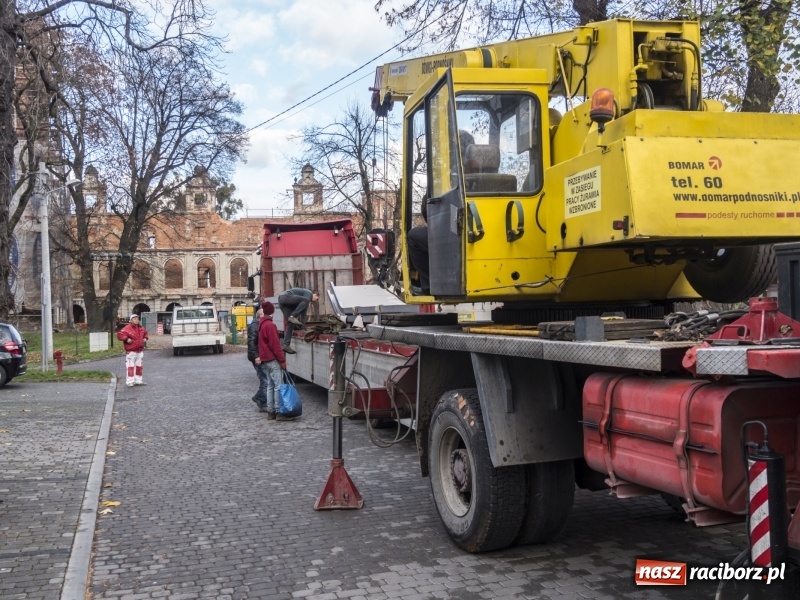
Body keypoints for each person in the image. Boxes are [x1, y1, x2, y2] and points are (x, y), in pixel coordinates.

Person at [407, 130, 475, 296]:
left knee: (414, 236)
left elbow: (430, 209)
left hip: (460, 239)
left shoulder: (452, 182)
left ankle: (430, 285)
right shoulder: (491, 177)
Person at [254, 301, 286, 419]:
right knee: (278, 386)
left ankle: (270, 411)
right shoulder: (270, 325)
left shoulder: (261, 324)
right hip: (272, 359)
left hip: (265, 359)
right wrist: (282, 360)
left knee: (270, 386)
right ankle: (278, 412)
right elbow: (275, 345)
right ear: (272, 311)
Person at [277, 288, 319, 354]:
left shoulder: (303, 298)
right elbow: (303, 312)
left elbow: (302, 310)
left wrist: (301, 325)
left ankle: (286, 345)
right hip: (286, 297)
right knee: (306, 301)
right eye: (317, 299)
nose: (316, 301)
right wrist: (303, 324)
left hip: (281, 300)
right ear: (315, 295)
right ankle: (292, 316)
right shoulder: (309, 294)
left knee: (291, 323)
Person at [116, 313, 148, 387]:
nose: (136, 320)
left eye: (137, 319)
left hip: (139, 351)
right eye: (134, 319)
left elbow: (146, 333)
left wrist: (145, 338)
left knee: (139, 367)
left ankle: (138, 380)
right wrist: (126, 339)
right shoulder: (127, 328)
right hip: (131, 351)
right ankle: (130, 381)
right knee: (130, 367)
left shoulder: (141, 328)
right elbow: (119, 335)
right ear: (131, 320)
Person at [246, 308, 265, 410]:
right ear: (260, 316)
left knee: (264, 379)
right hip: (256, 357)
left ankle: (260, 398)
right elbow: (252, 343)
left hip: (257, 355)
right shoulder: (255, 326)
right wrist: (256, 356)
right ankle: (260, 399)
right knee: (264, 380)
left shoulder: (257, 324)